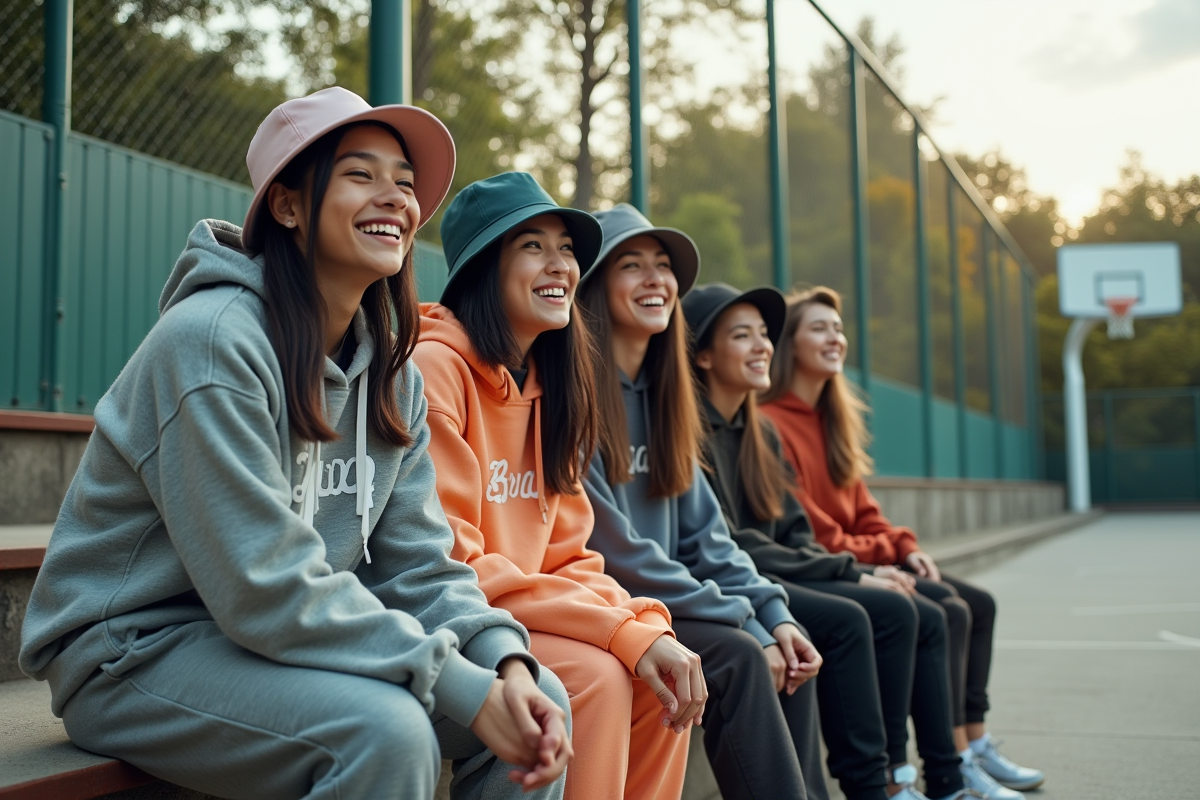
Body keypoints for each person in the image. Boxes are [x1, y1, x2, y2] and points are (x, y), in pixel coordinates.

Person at [18, 89, 575, 800]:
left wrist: (502, 663)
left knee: (542, 700)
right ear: (286, 206)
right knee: (386, 731)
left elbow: (419, 569)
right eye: (360, 175)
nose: (393, 198)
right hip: (132, 650)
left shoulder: (391, 376)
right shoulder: (211, 344)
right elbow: (260, 585)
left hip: (265, 639)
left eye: (404, 182)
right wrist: (450, 680)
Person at [413, 174, 703, 800]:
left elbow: (569, 557)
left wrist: (642, 623)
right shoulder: (435, 370)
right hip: (449, 620)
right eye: (533, 246)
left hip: (517, 612)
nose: (561, 265)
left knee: (660, 673)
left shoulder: (553, 382)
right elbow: (451, 564)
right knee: (599, 674)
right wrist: (619, 634)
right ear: (483, 267)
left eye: (568, 248)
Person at [685, 282, 986, 800]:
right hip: (732, 580)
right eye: (743, 336)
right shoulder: (689, 433)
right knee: (857, 617)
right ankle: (875, 785)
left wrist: (862, 569)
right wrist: (855, 572)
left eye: (764, 335)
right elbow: (735, 544)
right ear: (705, 356)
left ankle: (929, 777)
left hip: (774, 573)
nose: (763, 346)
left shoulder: (760, 433)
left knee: (923, 609)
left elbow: (797, 531)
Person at [576, 204, 827, 800]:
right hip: (609, 604)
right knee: (740, 655)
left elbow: (707, 541)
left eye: (662, 266)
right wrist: (743, 620)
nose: (654, 279)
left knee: (793, 647)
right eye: (631, 265)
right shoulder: (576, 393)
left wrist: (774, 613)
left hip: (662, 603)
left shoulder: (668, 403)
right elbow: (617, 551)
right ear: (595, 287)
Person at [760, 286, 1045, 796]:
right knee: (942, 612)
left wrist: (904, 546)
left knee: (978, 603)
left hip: (860, 559)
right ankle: (942, 770)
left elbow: (866, 512)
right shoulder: (771, 423)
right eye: (819, 328)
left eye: (838, 328)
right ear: (790, 346)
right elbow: (818, 533)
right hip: (826, 566)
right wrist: (880, 557)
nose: (835, 337)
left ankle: (970, 748)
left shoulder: (834, 420)